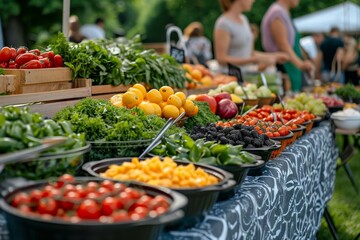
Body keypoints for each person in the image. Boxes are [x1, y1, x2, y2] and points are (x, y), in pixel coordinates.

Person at [213, 0, 288, 75]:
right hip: (229, 78)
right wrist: (255, 60)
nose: (253, 1)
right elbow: (221, 59)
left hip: (245, 77)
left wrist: (274, 56)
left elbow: (248, 53)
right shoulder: (223, 24)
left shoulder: (244, 19)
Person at [261, 0, 314, 92]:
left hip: (290, 64)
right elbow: (283, 45)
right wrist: (300, 64)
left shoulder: (284, 13)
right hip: (282, 66)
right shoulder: (277, 13)